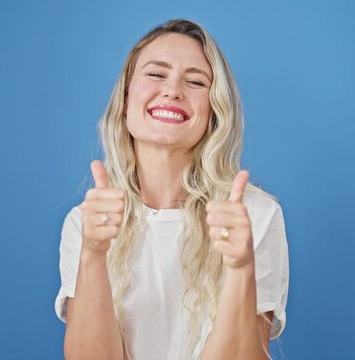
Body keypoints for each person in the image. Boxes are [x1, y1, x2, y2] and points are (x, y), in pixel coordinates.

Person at [54, 19, 289, 360]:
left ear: (213, 113)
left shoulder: (255, 217)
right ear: (125, 99)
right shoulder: (84, 223)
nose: (173, 90)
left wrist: (241, 269)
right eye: (155, 74)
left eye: (195, 81)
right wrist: (92, 253)